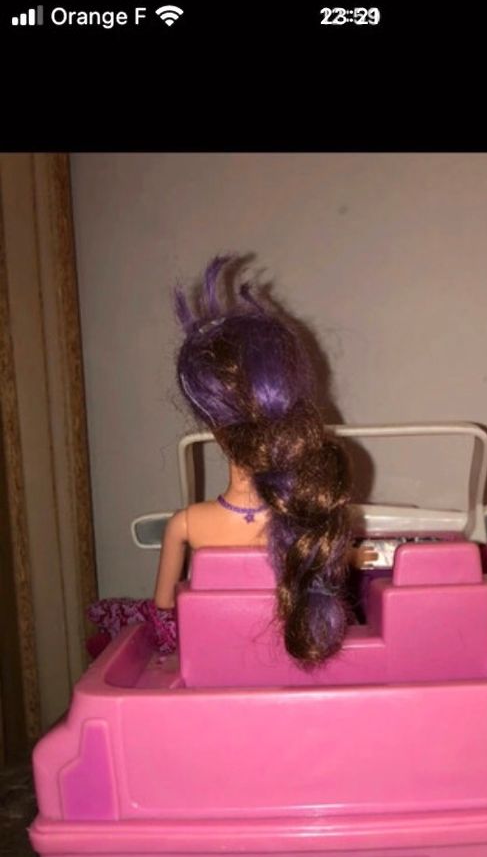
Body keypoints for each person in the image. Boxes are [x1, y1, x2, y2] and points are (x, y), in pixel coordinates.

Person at [88, 255, 373, 664]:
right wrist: (351, 556)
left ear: (216, 429)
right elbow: (318, 563)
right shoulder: (305, 517)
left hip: (213, 657)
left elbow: (164, 606)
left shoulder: (188, 524)